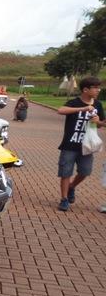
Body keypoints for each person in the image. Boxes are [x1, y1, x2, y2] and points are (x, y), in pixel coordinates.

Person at [55, 76, 105, 211]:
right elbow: (61, 110)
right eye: (95, 88)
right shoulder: (74, 102)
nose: (98, 90)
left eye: (98, 88)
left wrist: (98, 121)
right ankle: (64, 199)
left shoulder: (98, 104)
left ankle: (71, 187)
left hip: (87, 145)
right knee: (65, 172)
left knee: (85, 171)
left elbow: (102, 123)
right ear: (85, 90)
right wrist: (82, 109)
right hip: (69, 144)